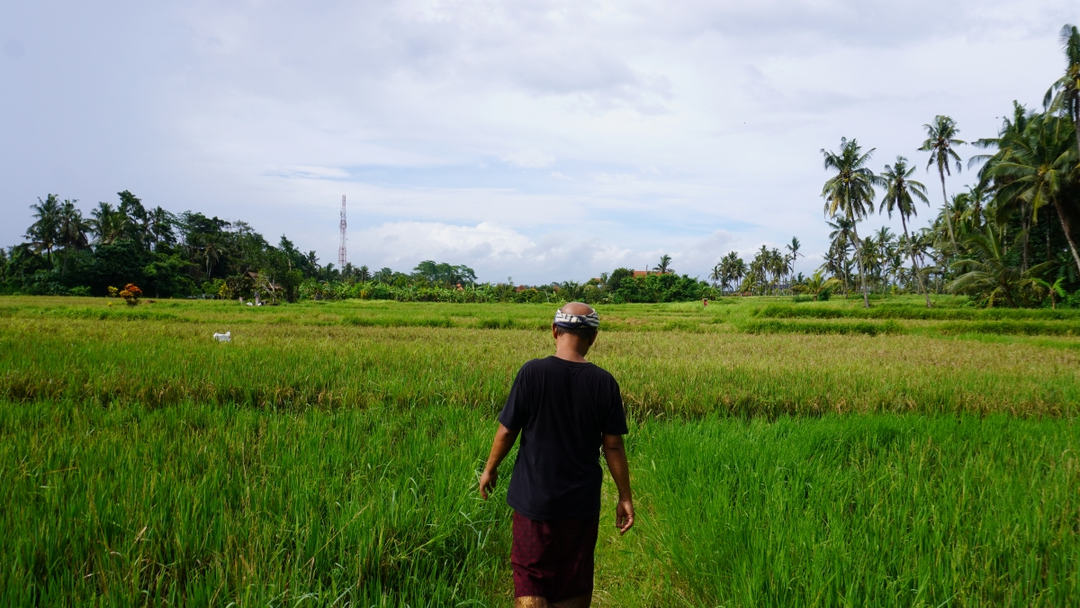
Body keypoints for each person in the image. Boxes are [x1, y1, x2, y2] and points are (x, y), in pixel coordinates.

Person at [480, 302, 634, 608]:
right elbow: (613, 445)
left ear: (554, 331)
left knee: (531, 577)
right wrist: (625, 496)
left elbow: (508, 430)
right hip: (581, 504)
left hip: (534, 503)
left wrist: (490, 469)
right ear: (593, 337)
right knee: (574, 579)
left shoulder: (532, 372)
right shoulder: (604, 382)